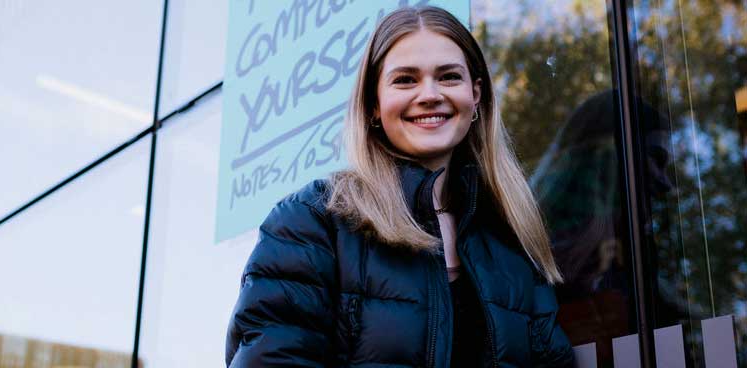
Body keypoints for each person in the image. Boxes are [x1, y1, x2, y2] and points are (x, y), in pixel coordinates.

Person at [226, 6, 574, 367]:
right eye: (405, 79)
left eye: (449, 77)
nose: (429, 94)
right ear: (374, 104)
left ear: (476, 96)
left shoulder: (511, 240)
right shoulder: (312, 222)